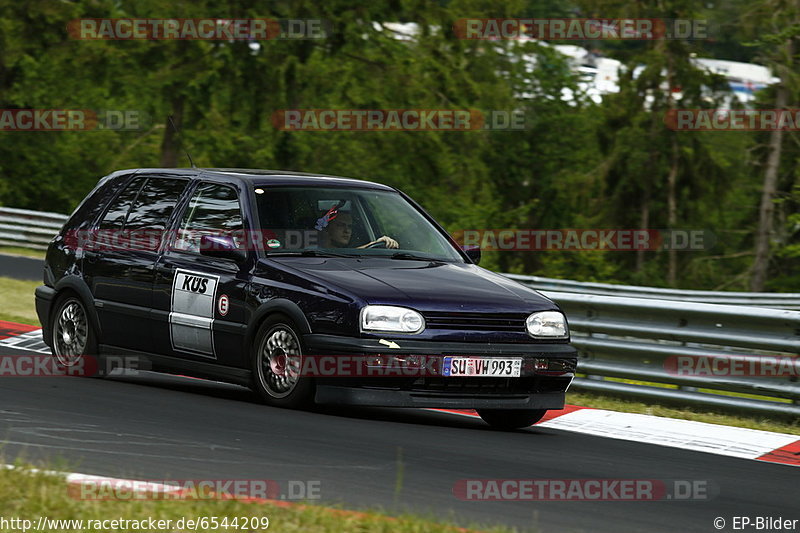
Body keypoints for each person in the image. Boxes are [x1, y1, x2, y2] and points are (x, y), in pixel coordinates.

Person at [317, 209, 398, 249]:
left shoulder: (349, 255)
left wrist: (377, 243)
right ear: (326, 228)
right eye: (341, 225)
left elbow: (348, 254)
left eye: (350, 226)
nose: (347, 231)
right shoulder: (310, 253)